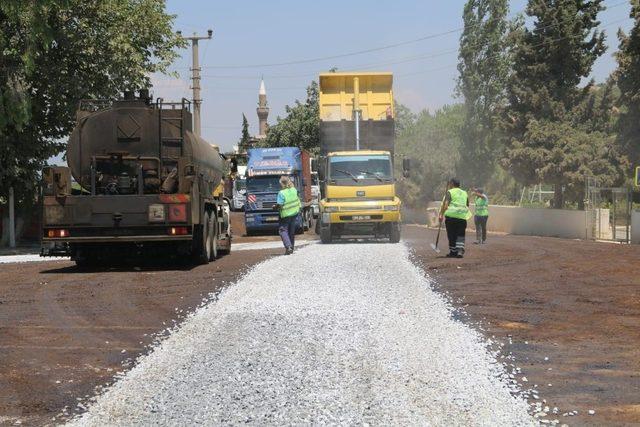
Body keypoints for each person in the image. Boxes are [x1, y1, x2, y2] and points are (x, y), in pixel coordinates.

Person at [439, 178, 471, 258]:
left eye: (450, 183)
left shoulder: (449, 192)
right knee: (460, 234)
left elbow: (445, 205)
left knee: (451, 234)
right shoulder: (464, 193)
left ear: (452, 184)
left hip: (451, 216)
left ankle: (453, 252)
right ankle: (460, 251)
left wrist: (441, 215)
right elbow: (467, 205)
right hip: (462, 217)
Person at [274, 176, 301, 255]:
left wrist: (274, 207)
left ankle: (288, 247)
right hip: (294, 213)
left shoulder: (281, 193)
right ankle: (291, 248)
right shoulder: (294, 190)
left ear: (282, 184)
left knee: (283, 230)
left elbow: (280, 204)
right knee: (291, 231)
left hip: (285, 215)